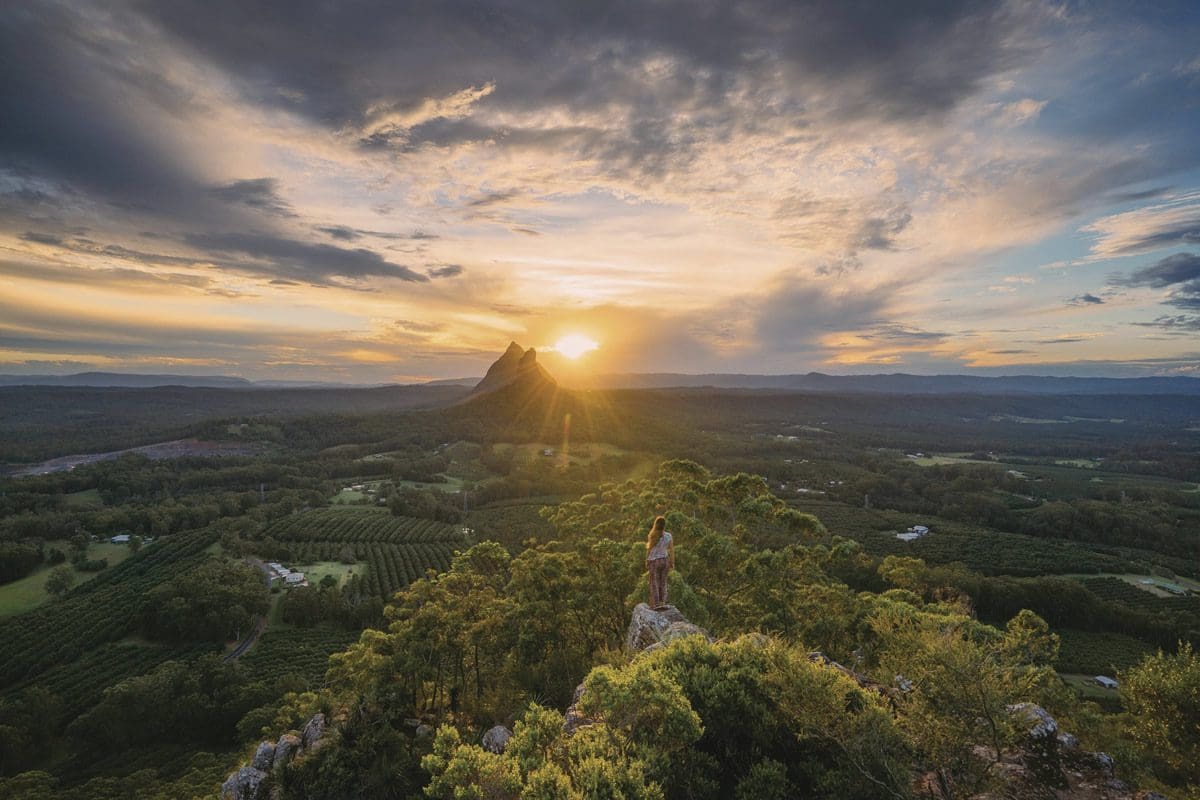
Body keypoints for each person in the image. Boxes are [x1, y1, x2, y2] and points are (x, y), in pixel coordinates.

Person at [645, 515, 674, 608]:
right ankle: (663, 602)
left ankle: (656, 604)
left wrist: (646, 560)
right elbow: (672, 550)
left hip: (654, 561)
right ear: (664, 525)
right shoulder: (669, 536)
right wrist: (672, 562)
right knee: (663, 582)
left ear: (656, 524)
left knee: (654, 582)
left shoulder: (652, 535)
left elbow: (649, 550)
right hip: (665, 560)